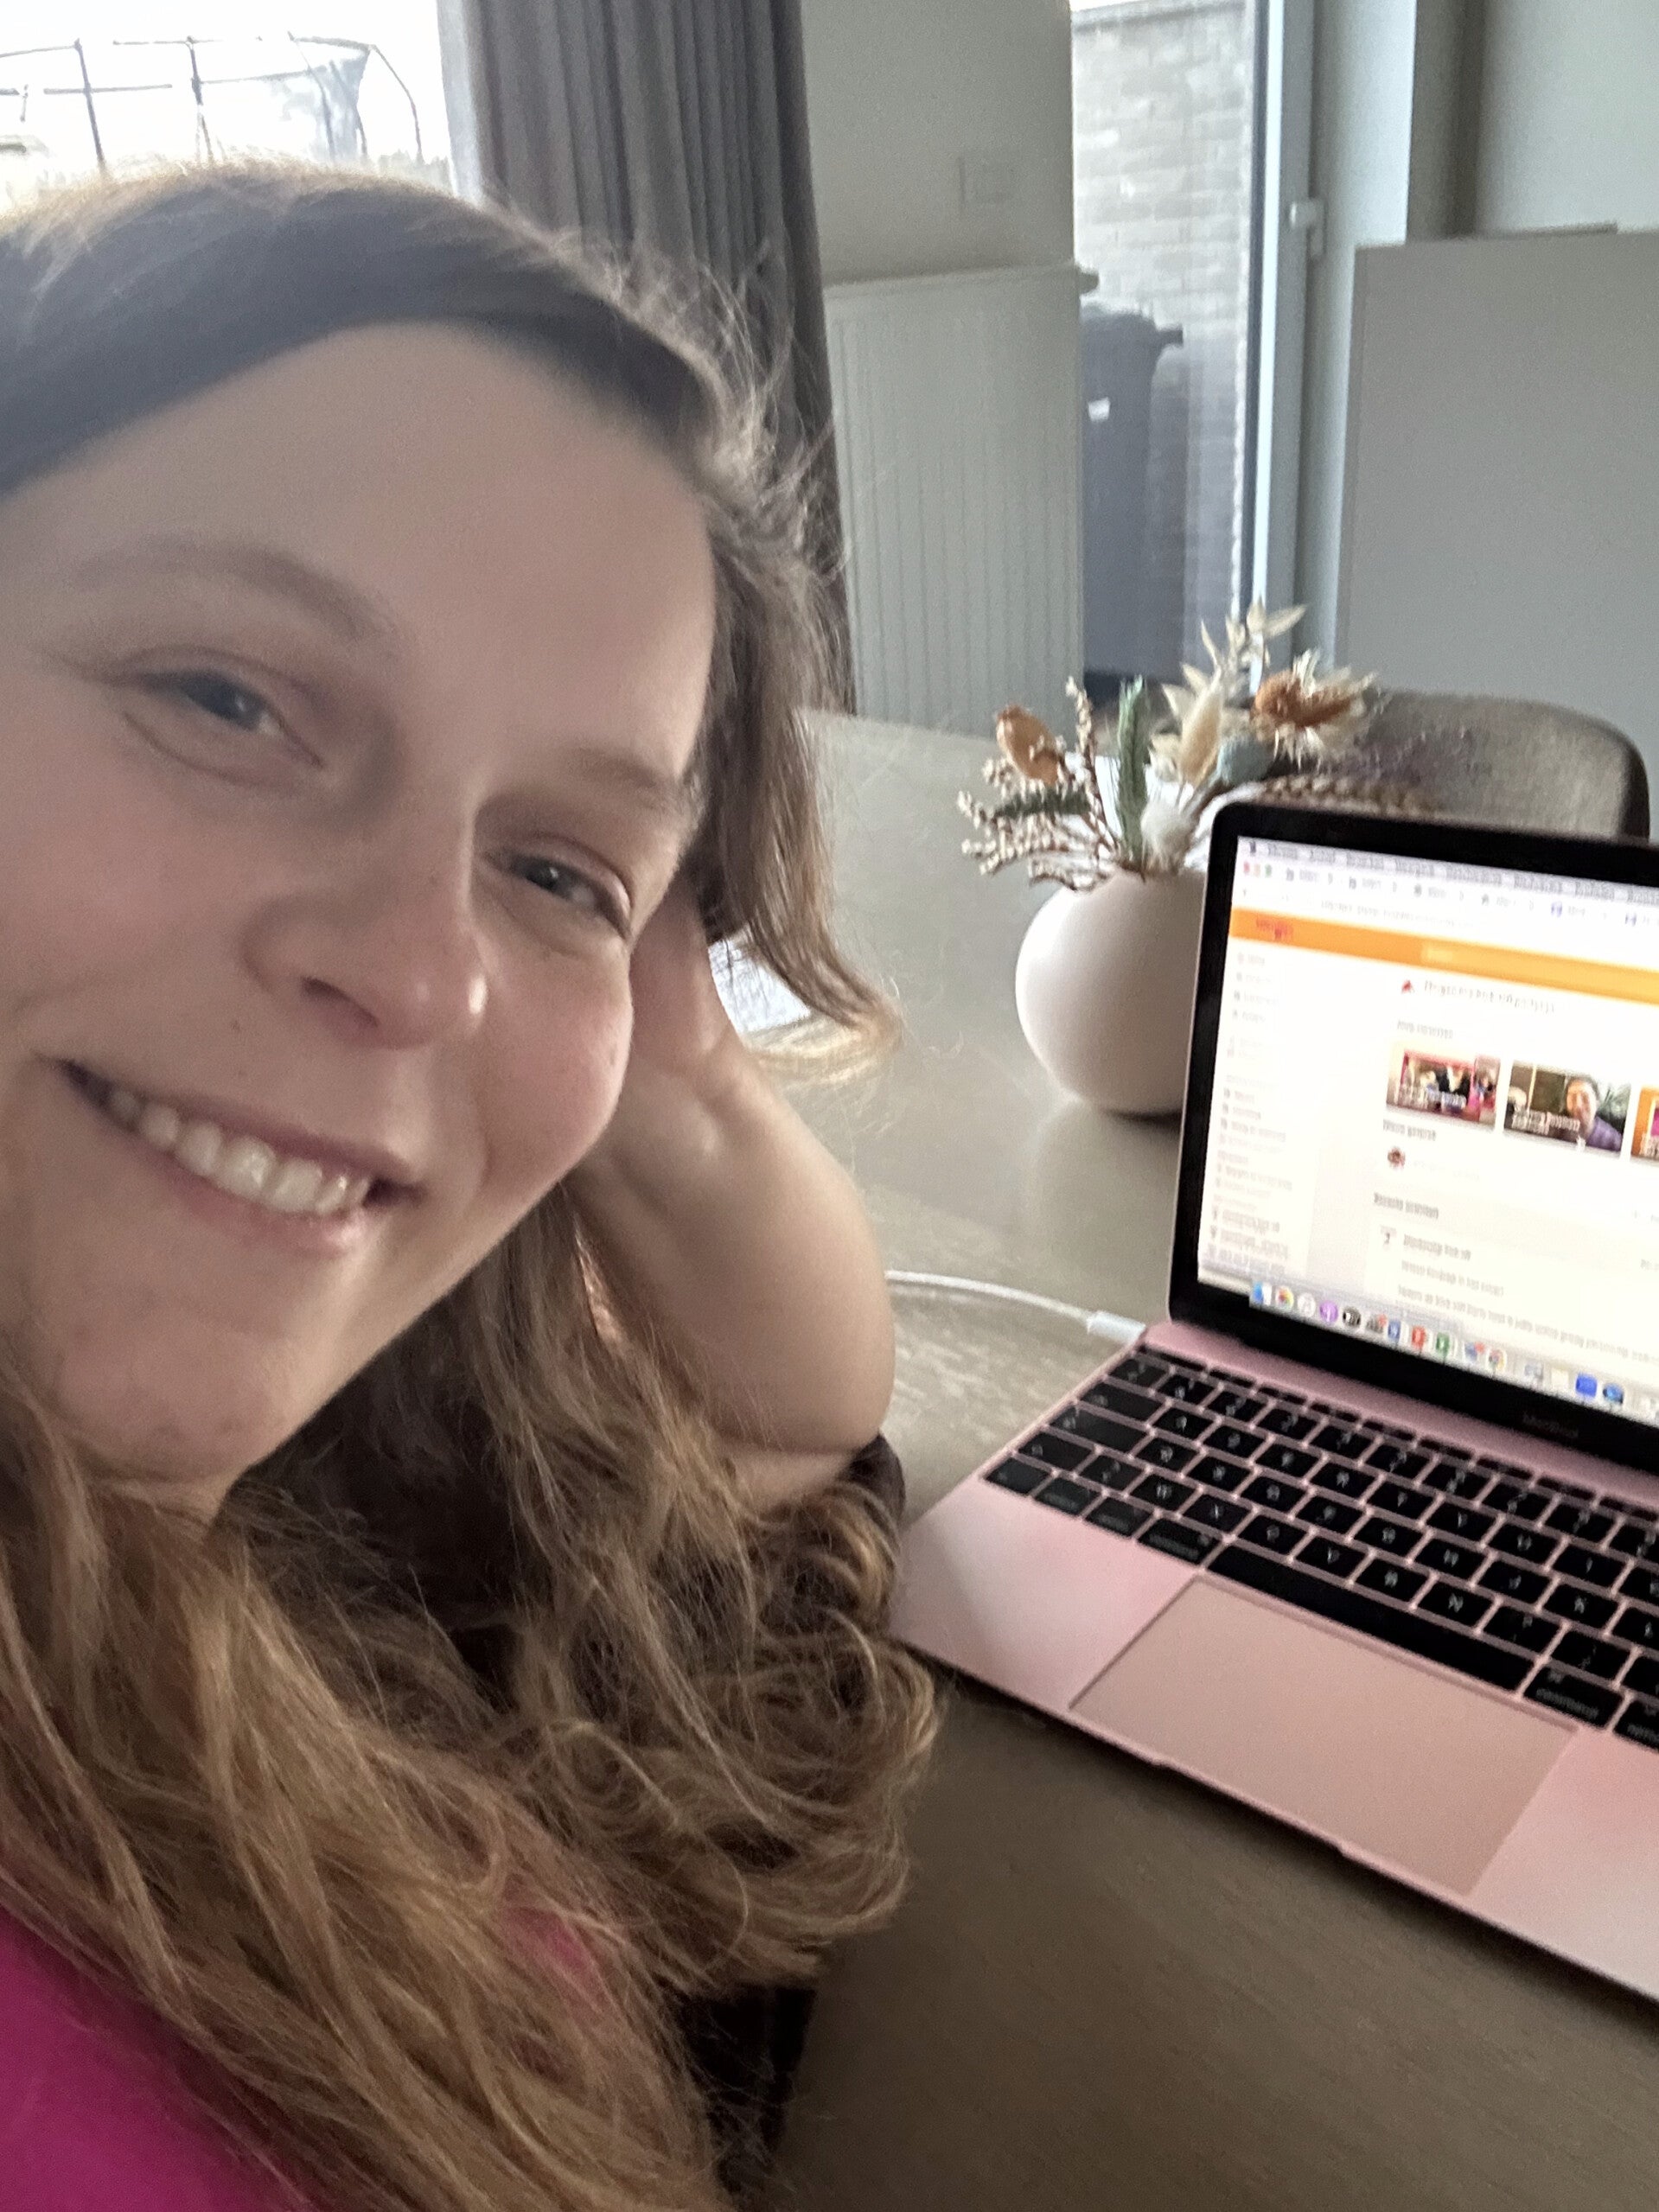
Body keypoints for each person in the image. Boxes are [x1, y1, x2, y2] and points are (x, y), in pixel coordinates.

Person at [0, 164, 935, 2212]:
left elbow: (791, 1420)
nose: (423, 972)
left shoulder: (296, 1510)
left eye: (551, 865)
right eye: (224, 698)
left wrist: (649, 1050)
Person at [1563, 1075, 1624, 1151]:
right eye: (1572, 1097)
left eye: (1585, 1097)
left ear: (1597, 1102)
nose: (1578, 1105)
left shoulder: (1614, 1142)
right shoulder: (1557, 1132)